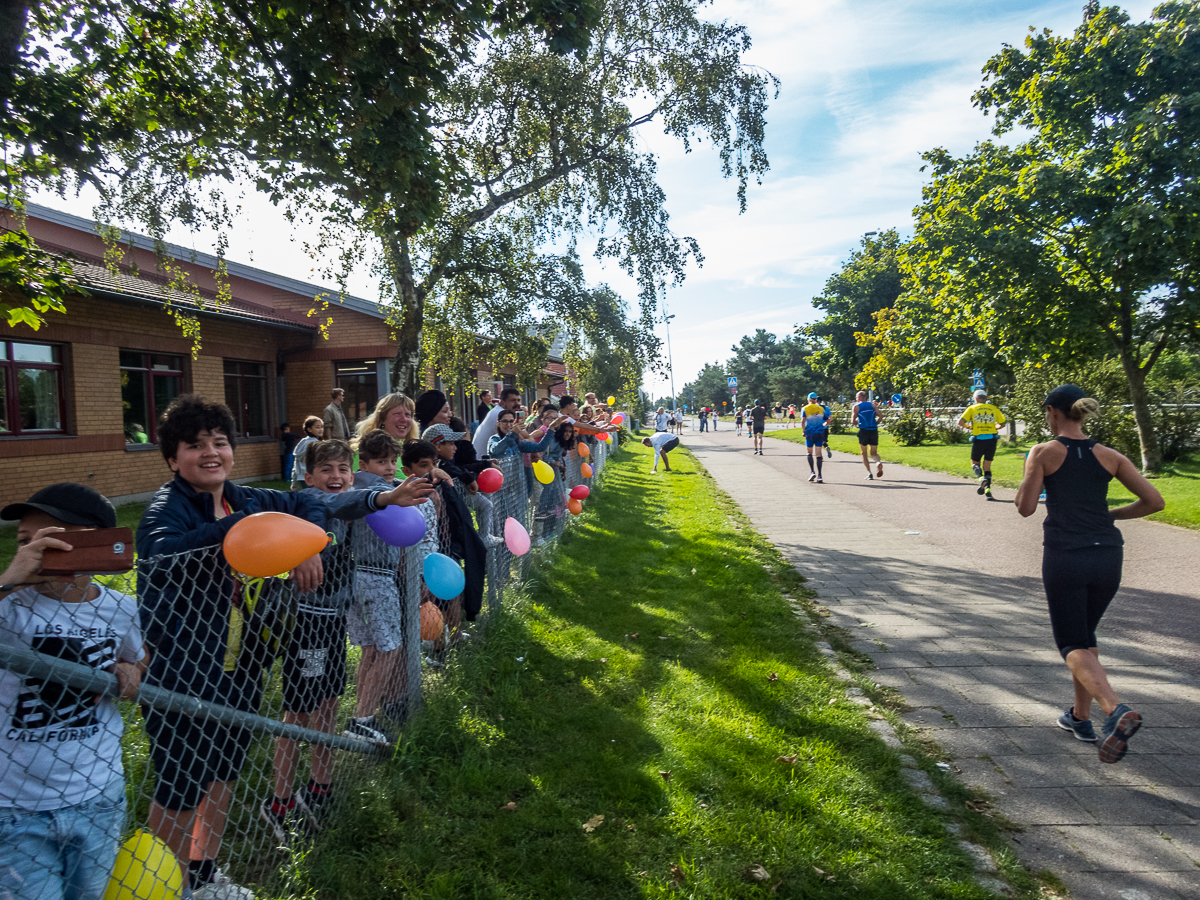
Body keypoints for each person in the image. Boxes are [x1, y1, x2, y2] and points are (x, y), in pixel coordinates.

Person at [136, 395, 326, 896]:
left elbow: (308, 502)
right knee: (181, 784)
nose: (211, 453)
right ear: (173, 458)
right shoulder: (166, 509)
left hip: (241, 666)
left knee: (223, 773)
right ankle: (168, 885)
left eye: (220, 442)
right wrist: (245, 531)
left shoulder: (243, 498)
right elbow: (163, 553)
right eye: (196, 446)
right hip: (183, 669)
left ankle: (201, 874)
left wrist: (305, 538)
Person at [268, 439, 438, 843]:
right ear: (308, 477)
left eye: (342, 469)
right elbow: (344, 502)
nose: (336, 477)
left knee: (328, 705)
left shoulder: (345, 504)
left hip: (331, 627)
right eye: (326, 469)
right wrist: (386, 494)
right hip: (305, 629)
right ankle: (278, 801)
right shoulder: (310, 502)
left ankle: (319, 787)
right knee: (299, 714)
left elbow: (356, 497)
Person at [0, 484, 146, 900]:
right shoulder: (10, 607)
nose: (31, 550)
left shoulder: (120, 608)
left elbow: (139, 656)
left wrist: (131, 669)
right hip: (16, 810)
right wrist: (11, 578)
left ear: (91, 543)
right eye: (24, 541)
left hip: (98, 798)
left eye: (47, 539)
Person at [1015, 385, 1164, 764]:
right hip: (1108, 556)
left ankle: (1115, 710)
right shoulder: (1110, 455)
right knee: (1085, 635)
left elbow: (1026, 508)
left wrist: (1031, 472)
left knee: (1071, 642)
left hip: (1067, 555)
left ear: (1052, 412)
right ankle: (1080, 718)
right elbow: (1154, 502)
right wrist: (1110, 515)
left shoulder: (1044, 452)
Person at [343, 430, 407, 743]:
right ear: (364, 463)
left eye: (393, 461)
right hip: (377, 576)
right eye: (381, 461)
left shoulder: (359, 485)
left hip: (355, 576)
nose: (388, 467)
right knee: (390, 648)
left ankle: (361, 714)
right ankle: (363, 718)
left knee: (370, 649)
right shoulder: (373, 488)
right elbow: (388, 489)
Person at [958, 389, 1007, 500]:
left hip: (978, 439)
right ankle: (988, 492)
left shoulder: (972, 408)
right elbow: (1003, 423)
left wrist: (969, 427)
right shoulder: (993, 408)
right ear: (986, 398)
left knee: (974, 464)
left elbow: (960, 422)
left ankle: (981, 479)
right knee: (987, 466)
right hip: (992, 440)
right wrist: (995, 427)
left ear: (975, 399)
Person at [355, 392, 420, 449]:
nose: (404, 419)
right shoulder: (365, 452)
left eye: (407, 414)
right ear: (382, 418)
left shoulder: (412, 452)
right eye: (397, 414)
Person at [473, 387, 523, 457]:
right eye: (513, 400)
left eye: (518, 400)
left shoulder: (501, 411)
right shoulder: (500, 414)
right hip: (483, 462)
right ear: (502, 402)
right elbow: (519, 439)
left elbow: (523, 436)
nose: (517, 403)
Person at [851, 391, 884, 480]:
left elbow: (853, 421)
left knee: (864, 454)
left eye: (857, 397)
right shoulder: (872, 405)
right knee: (874, 453)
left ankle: (869, 473)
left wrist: (857, 422)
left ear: (859, 398)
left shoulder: (856, 407)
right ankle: (878, 463)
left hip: (863, 431)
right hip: (873, 430)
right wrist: (877, 422)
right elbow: (881, 415)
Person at [290, 416, 323, 490]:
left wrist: (294, 481)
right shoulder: (315, 444)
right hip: (313, 476)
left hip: (303, 477)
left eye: (322, 427)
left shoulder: (303, 441)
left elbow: (296, 463)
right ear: (309, 429)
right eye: (317, 427)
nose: (321, 429)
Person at [801, 393, 828, 482]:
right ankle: (820, 475)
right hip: (819, 433)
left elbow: (803, 420)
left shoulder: (805, 408)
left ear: (808, 399)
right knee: (818, 454)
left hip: (809, 432)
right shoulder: (821, 408)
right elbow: (828, 420)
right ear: (816, 400)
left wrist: (804, 431)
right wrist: (824, 425)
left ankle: (812, 472)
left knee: (809, 453)